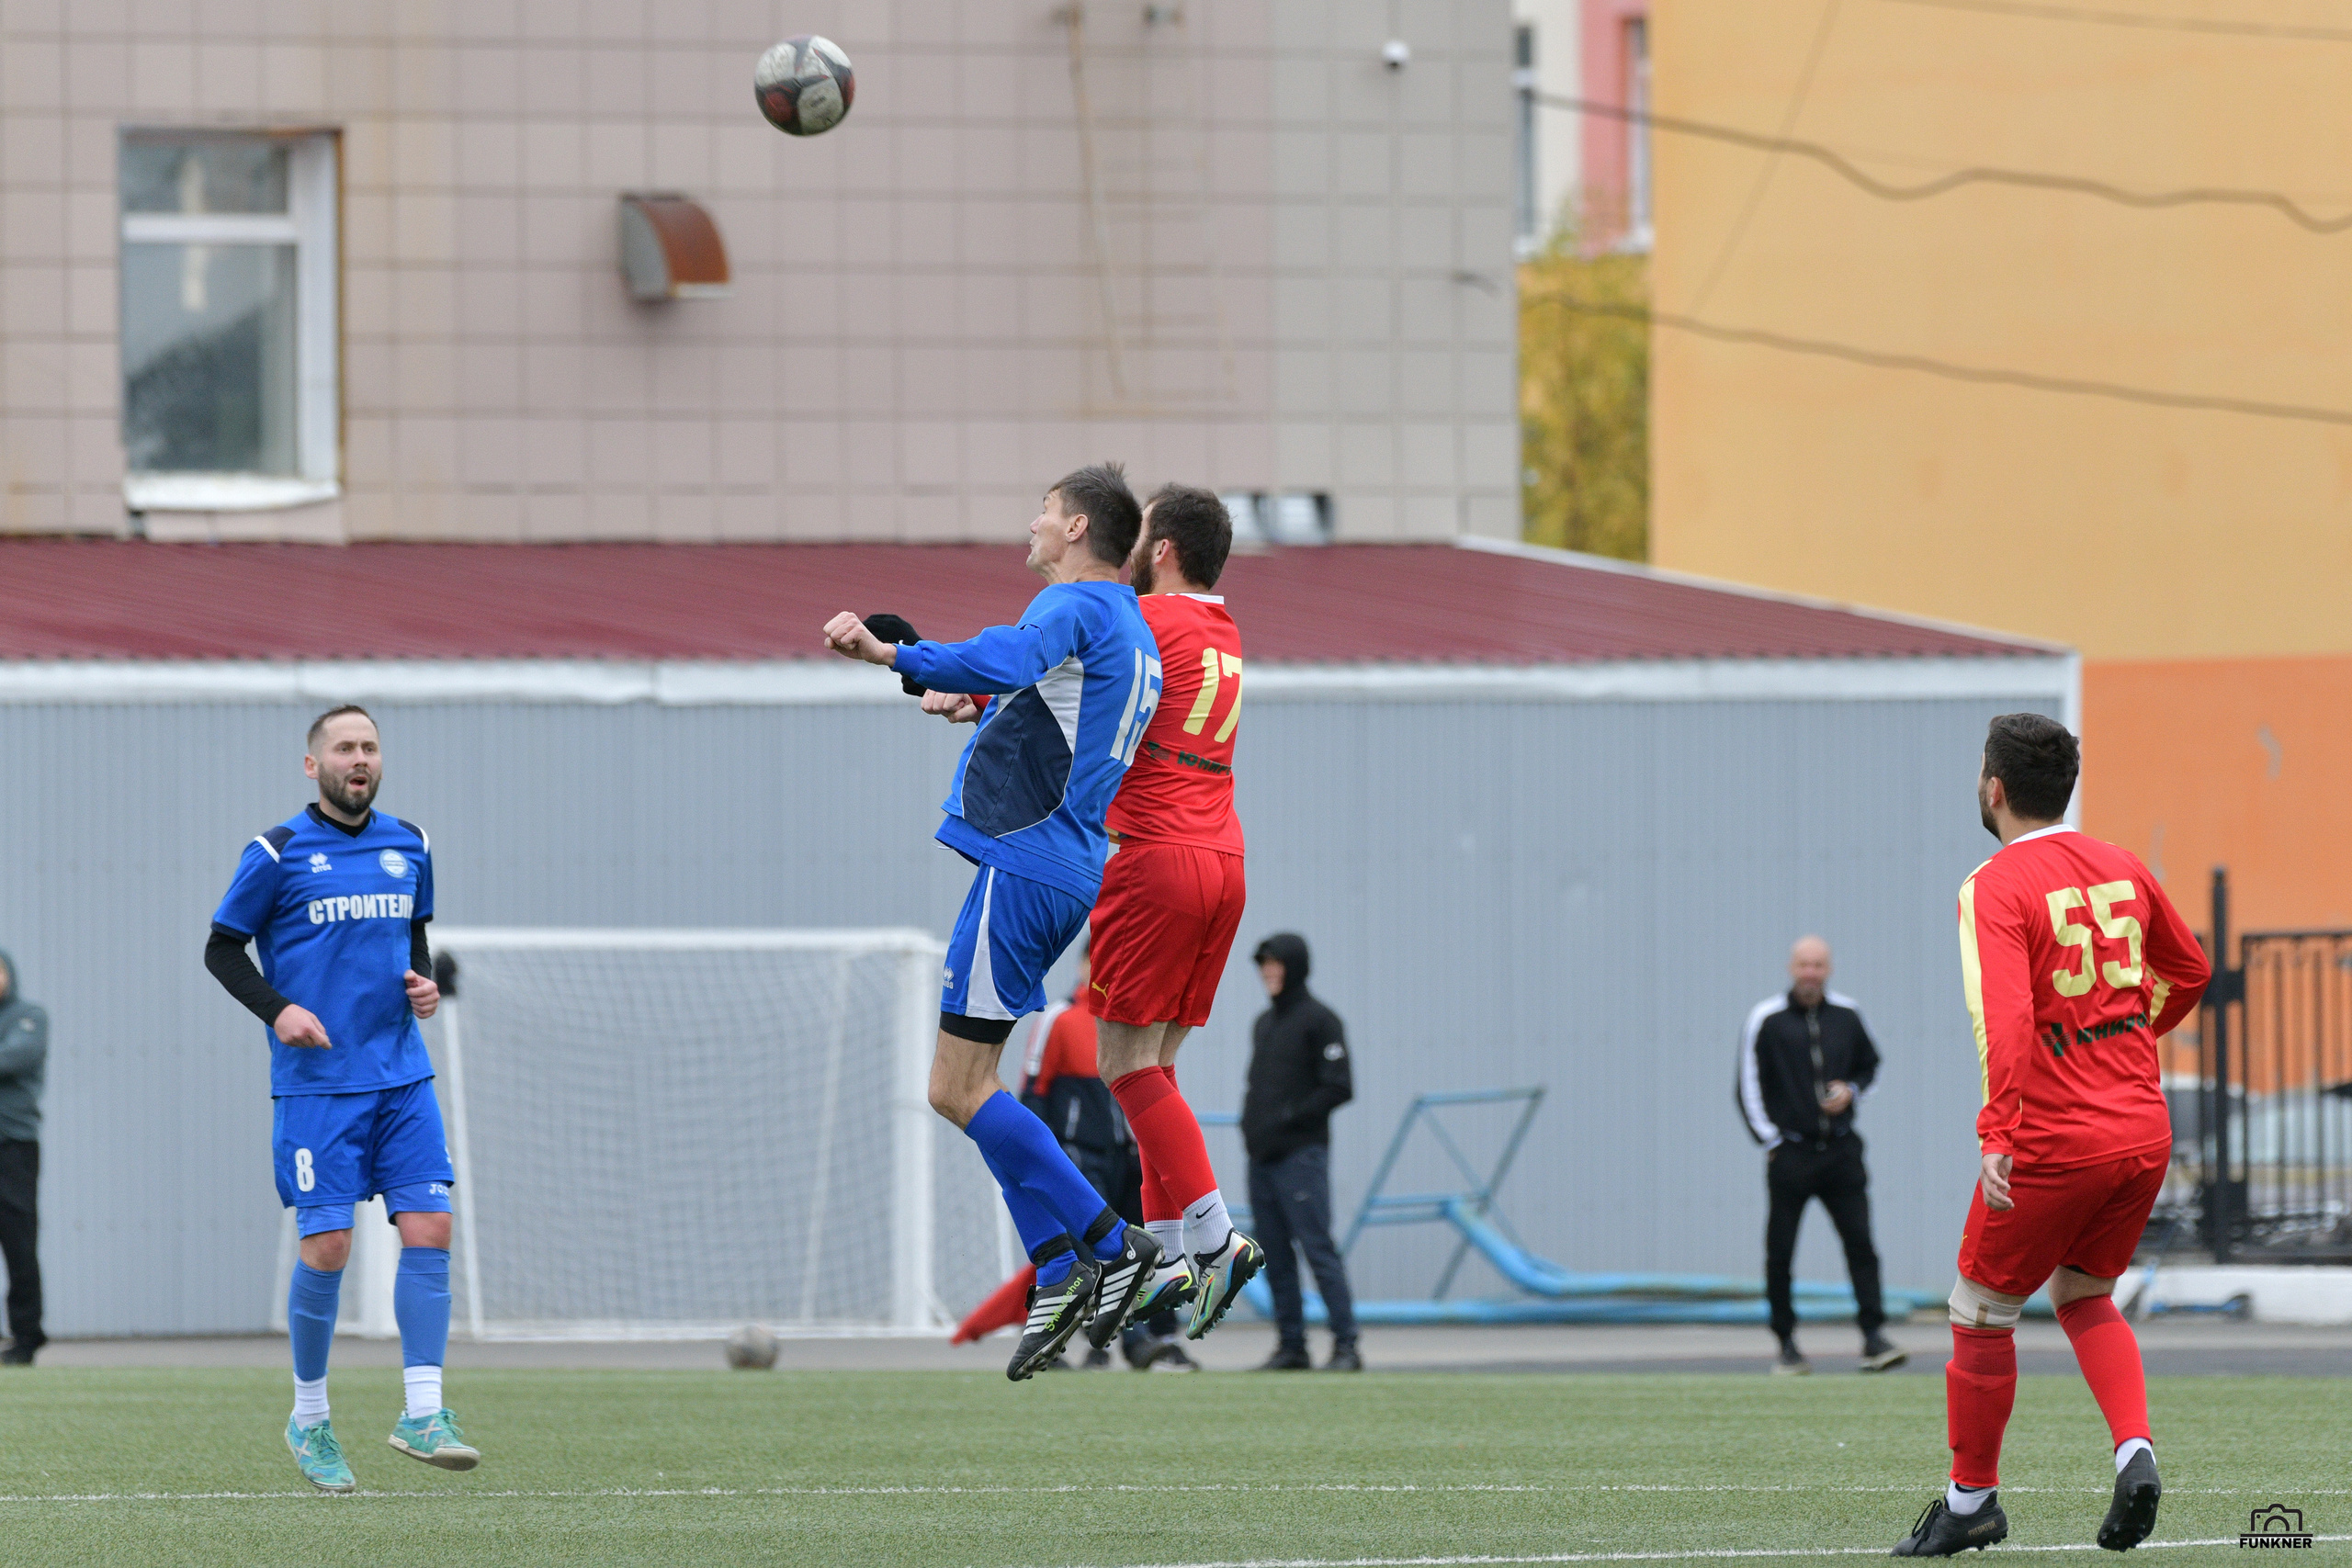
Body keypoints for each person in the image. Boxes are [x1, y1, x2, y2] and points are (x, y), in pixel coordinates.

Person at [822, 463, 1167, 1382]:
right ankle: (1057, 1271)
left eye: (1045, 513)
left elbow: (1013, 657)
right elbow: (1059, 708)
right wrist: (970, 703)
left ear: (1079, 527)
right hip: (1061, 869)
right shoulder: (1131, 630)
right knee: (964, 1085)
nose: (1033, 523)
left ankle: (1105, 1243)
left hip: (1023, 862)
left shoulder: (1077, 606)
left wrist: (893, 656)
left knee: (955, 1087)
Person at [1891, 714, 2210, 1557]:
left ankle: (1971, 1502)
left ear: (1993, 787)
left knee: (1979, 1308)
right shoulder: (2122, 865)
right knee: (2084, 1295)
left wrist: (1998, 1130)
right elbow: (2192, 970)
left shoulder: (1994, 884)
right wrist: (2132, 1034)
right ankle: (2135, 1450)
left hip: (2054, 1138)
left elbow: (2008, 1018)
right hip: (2141, 1132)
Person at [206, 706, 478, 1492]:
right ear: (313, 764)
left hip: (401, 1075)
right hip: (319, 1086)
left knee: (430, 1222)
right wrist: (278, 1008)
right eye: (344, 748)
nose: (359, 759)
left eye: (369, 747)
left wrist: (422, 985)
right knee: (329, 1247)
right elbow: (221, 946)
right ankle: (311, 1416)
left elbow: (412, 938)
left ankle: (422, 1411)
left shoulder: (412, 844)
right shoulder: (276, 852)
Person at [1737, 936, 1905, 1375]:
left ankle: (1873, 1337)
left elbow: (1871, 1066)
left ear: (1828, 969)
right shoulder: (1767, 1019)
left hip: (1842, 1152)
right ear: (1791, 968)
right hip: (1790, 1153)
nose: (1810, 972)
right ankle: (1786, 1343)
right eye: (1803, 964)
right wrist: (1771, 1141)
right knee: (1781, 1251)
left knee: (1861, 1244)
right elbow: (1747, 1084)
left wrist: (1852, 1090)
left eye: (1818, 965)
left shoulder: (1848, 1015)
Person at [1242, 932, 1360, 1371]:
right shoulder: (1264, 1023)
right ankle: (1292, 1346)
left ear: (1296, 967)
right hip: (1263, 1160)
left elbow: (1339, 1086)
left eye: (1276, 964)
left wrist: (1288, 1118)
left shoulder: (1321, 1020)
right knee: (1275, 1254)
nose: (1268, 973)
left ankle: (1347, 1346)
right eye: (1263, 965)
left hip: (1301, 1157)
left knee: (1317, 1249)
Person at [0, 947, 48, 1366]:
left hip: (13, 1146)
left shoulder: (28, 1016)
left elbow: (13, 1058)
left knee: (18, 1242)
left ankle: (27, 1337)